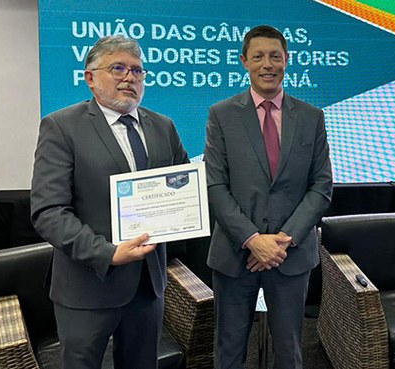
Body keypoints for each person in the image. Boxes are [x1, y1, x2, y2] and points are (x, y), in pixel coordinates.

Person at [30, 35, 189, 369]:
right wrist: (108, 253)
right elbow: (49, 212)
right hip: (88, 286)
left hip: (147, 287)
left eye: (137, 71)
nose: (129, 77)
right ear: (90, 77)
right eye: (118, 68)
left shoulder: (164, 127)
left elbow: (184, 190)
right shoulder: (61, 127)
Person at [204, 25, 333, 369]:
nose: (268, 64)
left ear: (287, 60)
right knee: (229, 351)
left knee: (290, 352)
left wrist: (281, 242)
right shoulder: (221, 115)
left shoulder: (311, 117)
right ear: (244, 61)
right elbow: (214, 185)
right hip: (234, 255)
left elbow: (321, 187)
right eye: (258, 56)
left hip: (290, 257)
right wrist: (251, 239)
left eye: (275, 56)